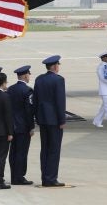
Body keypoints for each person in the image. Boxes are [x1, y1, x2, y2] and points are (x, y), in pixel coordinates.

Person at [33, 55, 66, 187]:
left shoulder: (39, 79)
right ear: (54, 66)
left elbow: (35, 100)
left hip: (42, 119)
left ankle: (45, 176)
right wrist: (62, 119)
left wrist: (37, 116)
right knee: (54, 149)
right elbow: (60, 101)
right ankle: (51, 178)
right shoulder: (58, 80)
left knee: (45, 149)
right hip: (54, 120)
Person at [8, 65, 34, 185]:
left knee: (13, 152)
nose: (29, 77)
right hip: (23, 127)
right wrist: (31, 126)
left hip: (12, 126)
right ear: (24, 75)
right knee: (22, 152)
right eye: (28, 74)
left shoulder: (10, 89)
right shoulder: (27, 91)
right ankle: (19, 177)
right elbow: (28, 111)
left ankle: (14, 175)